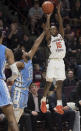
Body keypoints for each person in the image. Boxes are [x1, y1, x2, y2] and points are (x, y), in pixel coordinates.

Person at [10, 31, 45, 123]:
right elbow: (12, 64)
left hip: (25, 91)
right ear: (22, 56)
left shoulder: (29, 58)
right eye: (23, 51)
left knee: (17, 119)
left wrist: (44, 32)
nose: (25, 51)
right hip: (19, 91)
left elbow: (36, 43)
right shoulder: (21, 64)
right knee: (14, 120)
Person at [41, 3, 66, 113]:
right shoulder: (49, 39)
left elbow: (61, 23)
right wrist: (48, 17)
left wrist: (59, 13)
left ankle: (59, 105)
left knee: (60, 84)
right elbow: (46, 29)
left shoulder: (61, 36)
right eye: (51, 29)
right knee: (49, 82)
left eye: (54, 29)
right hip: (52, 61)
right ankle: (43, 101)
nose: (52, 30)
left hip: (61, 62)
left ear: (56, 30)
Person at [0, 30, 19, 131]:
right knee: (11, 118)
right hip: (0, 83)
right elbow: (15, 73)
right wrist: (10, 79)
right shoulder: (7, 51)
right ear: (2, 37)